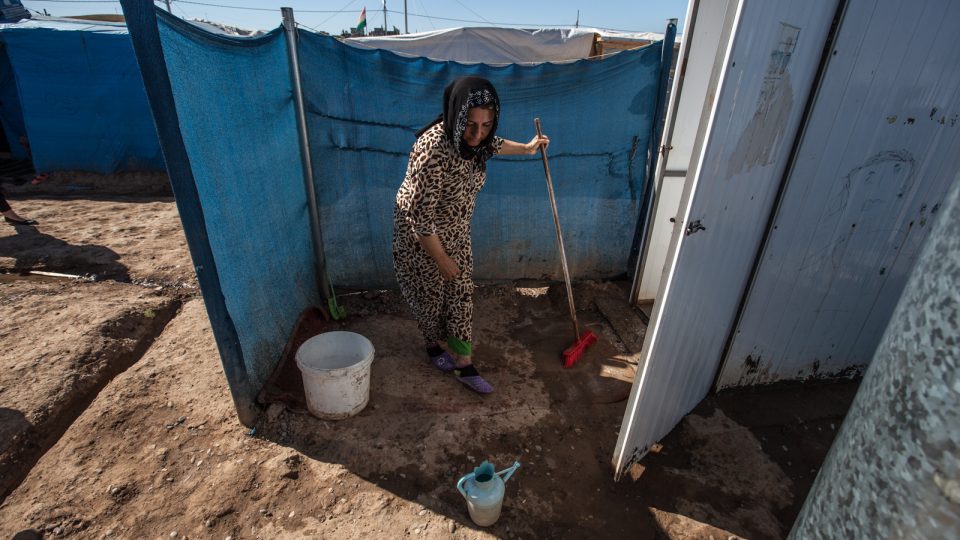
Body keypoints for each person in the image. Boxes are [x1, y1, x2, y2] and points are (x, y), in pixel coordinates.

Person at [393, 76, 549, 394]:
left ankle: (464, 365)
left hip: (456, 231)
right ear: (456, 117)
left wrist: (528, 148)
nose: (478, 134)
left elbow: (494, 144)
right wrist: (440, 258)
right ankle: (433, 346)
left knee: (462, 294)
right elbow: (420, 220)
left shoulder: (478, 142)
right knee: (431, 298)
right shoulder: (433, 149)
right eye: (470, 126)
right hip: (421, 237)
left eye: (487, 124)